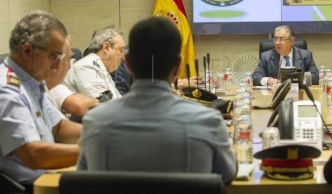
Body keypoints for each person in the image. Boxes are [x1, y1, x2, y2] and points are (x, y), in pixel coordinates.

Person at [77, 17, 237, 184]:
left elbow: (82, 181)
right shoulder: (209, 122)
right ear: (177, 66)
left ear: (128, 63)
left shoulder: (95, 123)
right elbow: (227, 175)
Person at [0, 10, 81, 188]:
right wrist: (96, 149)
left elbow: (58, 128)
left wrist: (103, 131)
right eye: (54, 56)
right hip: (26, 188)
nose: (58, 65)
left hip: (45, 181)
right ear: (28, 50)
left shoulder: (31, 83)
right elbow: (33, 155)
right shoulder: (7, 89)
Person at [64, 25, 125, 99]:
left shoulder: (102, 70)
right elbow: (104, 106)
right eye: (121, 51)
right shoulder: (86, 67)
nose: (123, 57)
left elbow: (118, 101)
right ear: (106, 47)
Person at [46, 37, 98, 117]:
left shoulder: (46, 87)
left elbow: (59, 126)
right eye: (67, 59)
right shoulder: (52, 86)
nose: (69, 65)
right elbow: (78, 105)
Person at [252, 25, 319, 86]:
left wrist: (296, 80)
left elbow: (316, 76)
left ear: (292, 41)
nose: (278, 42)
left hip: (299, 95)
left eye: (281, 39)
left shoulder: (305, 56)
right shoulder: (266, 57)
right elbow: (255, 77)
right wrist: (269, 80)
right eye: (275, 39)